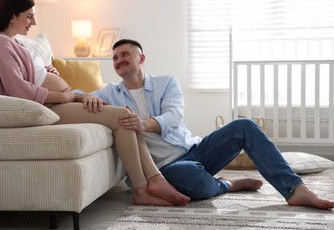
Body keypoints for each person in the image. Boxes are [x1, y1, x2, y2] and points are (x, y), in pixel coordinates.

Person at [0, 0, 190, 207]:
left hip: (60, 100)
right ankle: (144, 187)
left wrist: (68, 89)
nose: (33, 22)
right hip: (48, 106)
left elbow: (31, 75)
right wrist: (63, 96)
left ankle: (154, 180)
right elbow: (18, 89)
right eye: (29, 16)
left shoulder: (16, 43)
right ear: (12, 15)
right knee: (122, 116)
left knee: (126, 116)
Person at [88, 38, 334, 210]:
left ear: (141, 58)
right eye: (115, 58)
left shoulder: (166, 83)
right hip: (162, 170)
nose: (119, 60)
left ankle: (295, 190)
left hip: (194, 150)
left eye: (125, 54)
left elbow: (173, 118)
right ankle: (228, 184)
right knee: (188, 176)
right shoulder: (109, 93)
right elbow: (79, 94)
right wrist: (66, 88)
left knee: (245, 125)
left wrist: (143, 123)